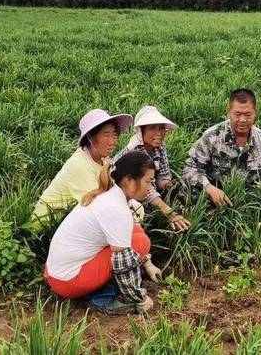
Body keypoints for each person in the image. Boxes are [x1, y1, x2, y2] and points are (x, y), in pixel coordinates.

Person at [44, 150, 163, 314]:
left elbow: (129, 229)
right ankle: (102, 297)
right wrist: (140, 299)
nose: (150, 188)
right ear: (129, 180)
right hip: (68, 280)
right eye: (148, 182)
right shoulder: (116, 209)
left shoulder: (110, 193)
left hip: (57, 271)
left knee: (137, 232)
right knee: (140, 243)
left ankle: (97, 286)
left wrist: (147, 263)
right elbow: (124, 266)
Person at [32, 109, 132, 227]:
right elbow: (97, 207)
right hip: (48, 224)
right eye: (106, 135)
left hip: (75, 217)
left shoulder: (104, 159)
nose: (112, 142)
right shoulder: (79, 164)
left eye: (114, 135)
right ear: (90, 137)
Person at [182, 88, 261, 207]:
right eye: (237, 114)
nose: (242, 120)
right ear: (229, 112)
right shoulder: (212, 137)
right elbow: (190, 168)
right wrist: (209, 188)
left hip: (248, 204)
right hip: (212, 202)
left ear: (255, 112)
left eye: (248, 114)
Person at [114, 106, 190, 231]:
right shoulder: (135, 152)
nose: (159, 133)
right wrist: (169, 212)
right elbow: (148, 192)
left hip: (144, 189)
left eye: (161, 128)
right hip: (125, 196)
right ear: (141, 131)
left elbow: (163, 175)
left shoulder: (159, 146)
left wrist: (170, 187)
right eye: (152, 128)